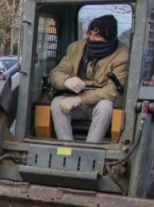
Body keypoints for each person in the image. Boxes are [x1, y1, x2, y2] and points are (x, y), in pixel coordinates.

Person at [49, 14, 129, 142]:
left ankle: (91, 148)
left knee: (105, 106)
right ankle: (65, 146)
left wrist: (80, 99)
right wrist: (66, 80)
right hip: (76, 102)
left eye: (97, 35)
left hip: (100, 102)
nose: (92, 38)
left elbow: (112, 91)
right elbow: (56, 73)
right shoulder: (76, 48)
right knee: (57, 103)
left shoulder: (122, 55)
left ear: (109, 37)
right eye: (90, 34)